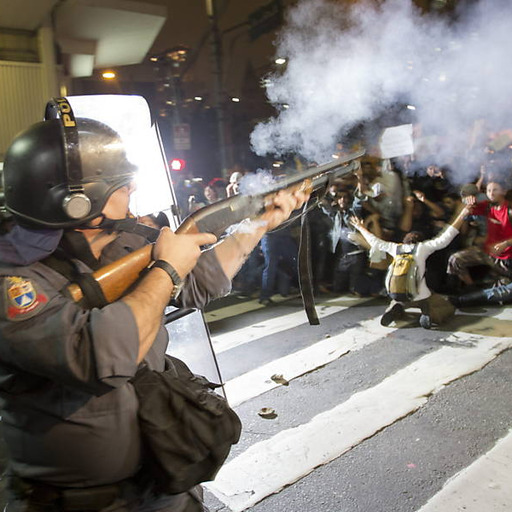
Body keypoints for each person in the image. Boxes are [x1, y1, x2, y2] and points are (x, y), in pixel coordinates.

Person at [0, 114, 308, 511]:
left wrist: (262, 221)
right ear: (78, 201)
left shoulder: (124, 240)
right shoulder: (14, 278)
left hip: (162, 478)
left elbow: (201, 283)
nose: (131, 187)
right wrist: (166, 270)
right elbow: (103, 357)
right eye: (119, 182)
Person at [350, 204, 470, 329]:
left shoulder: (395, 247)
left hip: (396, 293)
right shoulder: (423, 248)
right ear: (421, 241)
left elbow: (374, 241)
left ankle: (396, 308)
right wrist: (462, 214)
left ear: (405, 240)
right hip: (420, 294)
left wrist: (360, 226)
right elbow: (446, 237)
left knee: (398, 300)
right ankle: (428, 313)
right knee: (443, 305)